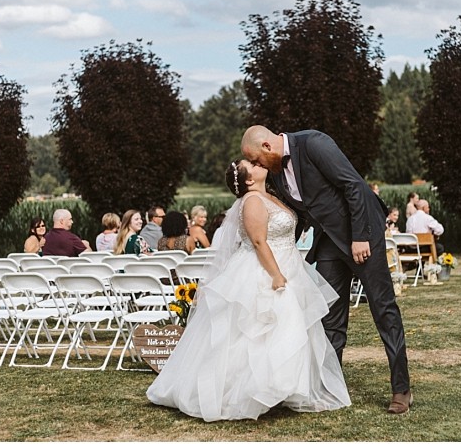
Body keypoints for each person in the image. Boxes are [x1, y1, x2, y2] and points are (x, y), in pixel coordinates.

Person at [147, 159, 350, 421]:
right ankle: (249, 389)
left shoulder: (270, 196)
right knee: (255, 331)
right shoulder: (253, 200)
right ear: (248, 179)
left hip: (288, 264)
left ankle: (283, 387)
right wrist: (276, 275)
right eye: (251, 164)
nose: (257, 163)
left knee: (287, 327)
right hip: (264, 269)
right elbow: (257, 241)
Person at [241, 126, 412, 414]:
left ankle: (401, 389)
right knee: (331, 316)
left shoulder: (314, 144)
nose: (257, 166)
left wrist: (360, 236)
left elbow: (353, 186)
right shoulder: (277, 173)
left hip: (361, 234)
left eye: (257, 160)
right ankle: (330, 388)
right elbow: (304, 213)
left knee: (383, 310)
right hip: (329, 242)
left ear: (268, 147)